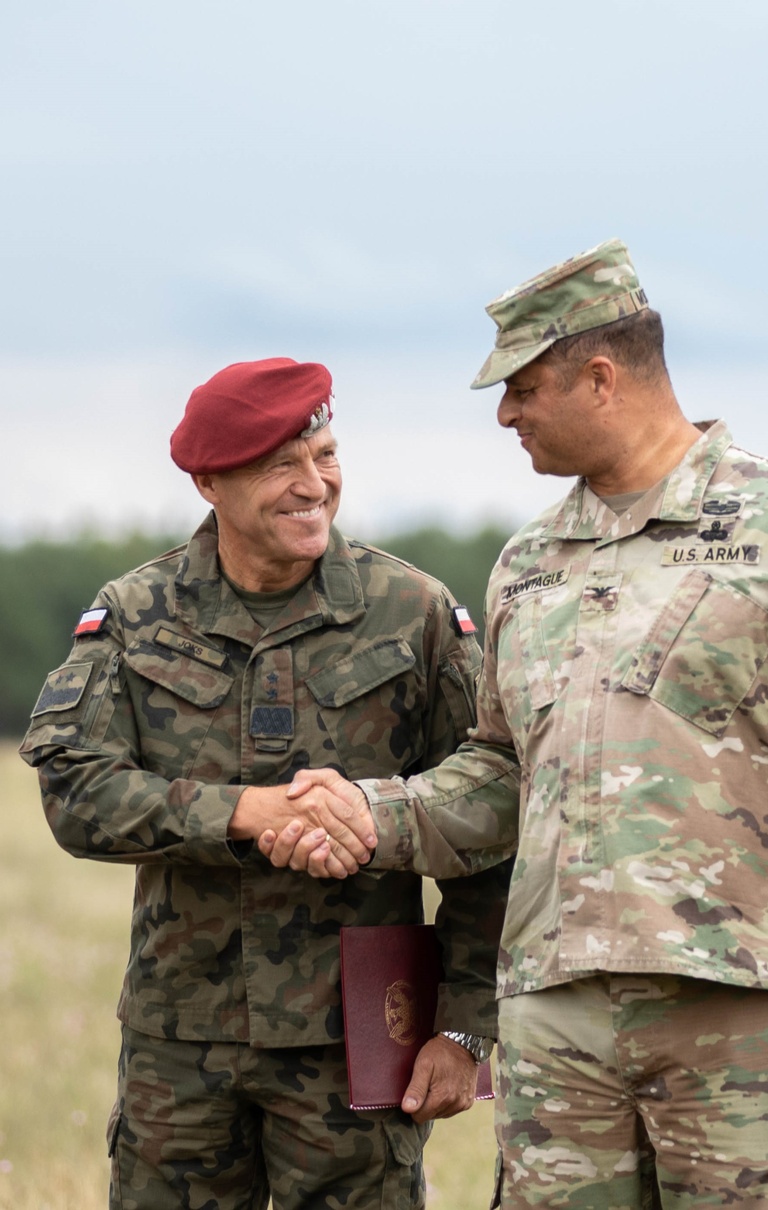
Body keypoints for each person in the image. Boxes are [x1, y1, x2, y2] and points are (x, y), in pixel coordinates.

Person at [260, 243, 768, 1208]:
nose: (506, 413)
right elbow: (504, 773)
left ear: (602, 377)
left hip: (751, 1016)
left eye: (522, 386)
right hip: (562, 1029)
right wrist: (373, 812)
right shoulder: (529, 564)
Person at [20, 357, 513, 1210]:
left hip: (359, 1039)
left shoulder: (415, 612)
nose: (312, 484)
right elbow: (73, 787)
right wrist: (243, 814)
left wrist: (465, 1024)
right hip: (180, 1042)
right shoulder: (137, 615)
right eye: (279, 465)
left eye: (323, 453)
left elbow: (490, 815)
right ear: (211, 479)